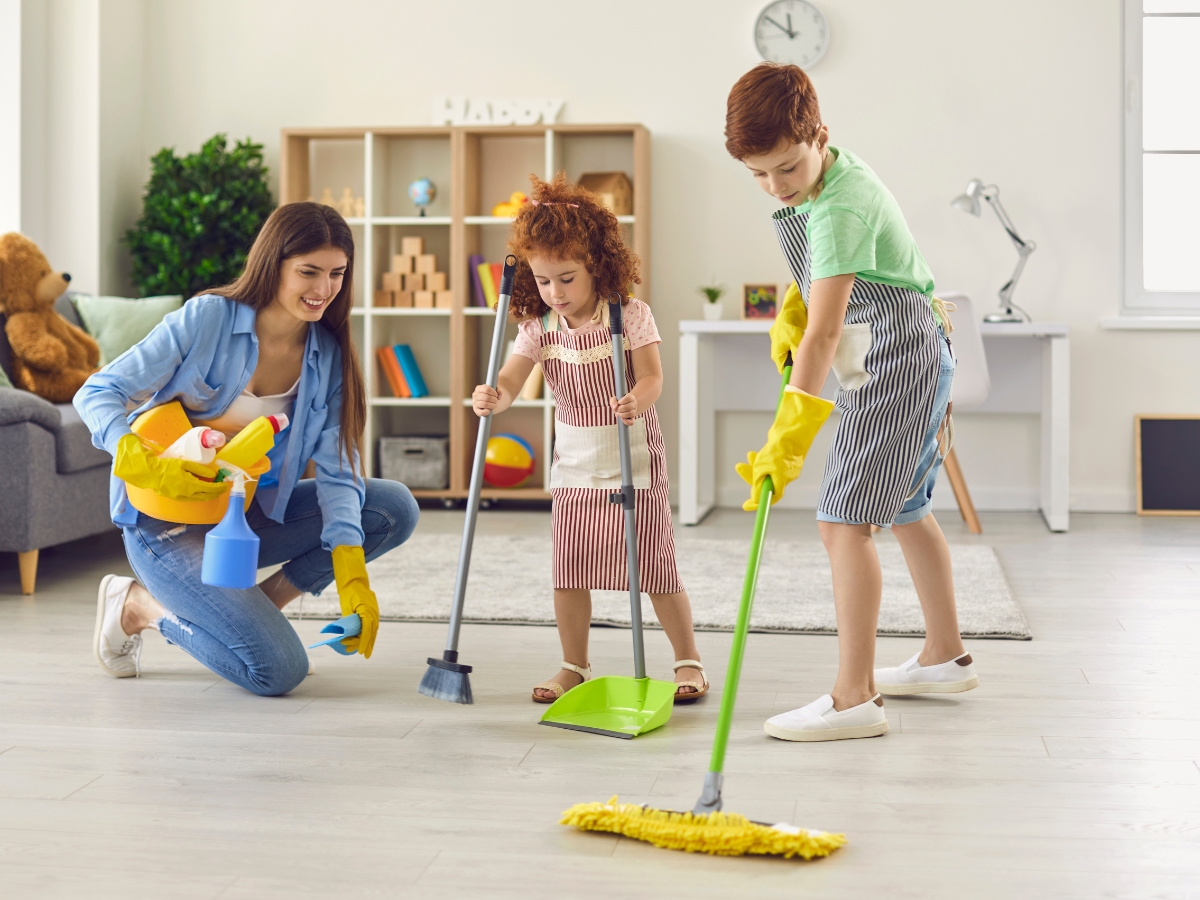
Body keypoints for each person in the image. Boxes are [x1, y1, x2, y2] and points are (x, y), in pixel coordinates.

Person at [725, 64, 978, 742]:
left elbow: (827, 333)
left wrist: (791, 434)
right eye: (759, 175)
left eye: (785, 168)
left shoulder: (839, 205)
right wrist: (795, 299)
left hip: (896, 357)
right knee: (905, 508)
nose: (775, 187)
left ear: (819, 135)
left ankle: (854, 698)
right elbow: (833, 282)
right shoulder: (830, 172)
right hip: (906, 346)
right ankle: (944, 655)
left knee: (843, 523)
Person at [76, 202, 419, 695]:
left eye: (337, 273)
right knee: (277, 672)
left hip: (245, 517)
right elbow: (98, 391)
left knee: (391, 507)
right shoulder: (208, 319)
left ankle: (254, 611)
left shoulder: (327, 356)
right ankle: (140, 607)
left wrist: (351, 575)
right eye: (308, 272)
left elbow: (339, 471)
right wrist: (135, 456)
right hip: (168, 524)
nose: (324, 289)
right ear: (272, 263)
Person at [471, 175, 707, 704]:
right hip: (574, 462)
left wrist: (638, 399)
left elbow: (653, 377)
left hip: (633, 461)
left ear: (597, 266)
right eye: (544, 280)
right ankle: (573, 664)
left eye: (567, 279)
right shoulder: (539, 328)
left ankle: (688, 660)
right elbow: (511, 379)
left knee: (655, 566)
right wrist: (495, 396)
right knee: (569, 566)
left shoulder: (629, 315)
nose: (555, 292)